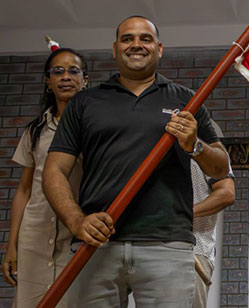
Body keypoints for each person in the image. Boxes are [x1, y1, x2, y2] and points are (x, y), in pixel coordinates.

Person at [43, 15, 230, 307]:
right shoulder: (85, 102)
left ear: (159, 49)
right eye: (127, 38)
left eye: (146, 38)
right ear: (115, 49)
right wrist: (77, 221)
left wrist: (195, 145)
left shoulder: (186, 100)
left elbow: (221, 168)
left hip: (167, 243)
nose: (136, 44)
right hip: (98, 242)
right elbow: (54, 170)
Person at [1, 48, 88, 307]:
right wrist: (12, 245)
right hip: (34, 236)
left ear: (85, 80)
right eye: (57, 71)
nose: (66, 77)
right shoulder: (35, 130)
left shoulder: (95, 129)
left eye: (73, 71)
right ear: (48, 81)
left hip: (76, 236)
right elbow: (24, 190)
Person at [191, 121, 235, 308]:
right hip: (147, 246)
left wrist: (183, 214)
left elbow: (227, 194)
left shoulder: (208, 151)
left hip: (194, 249)